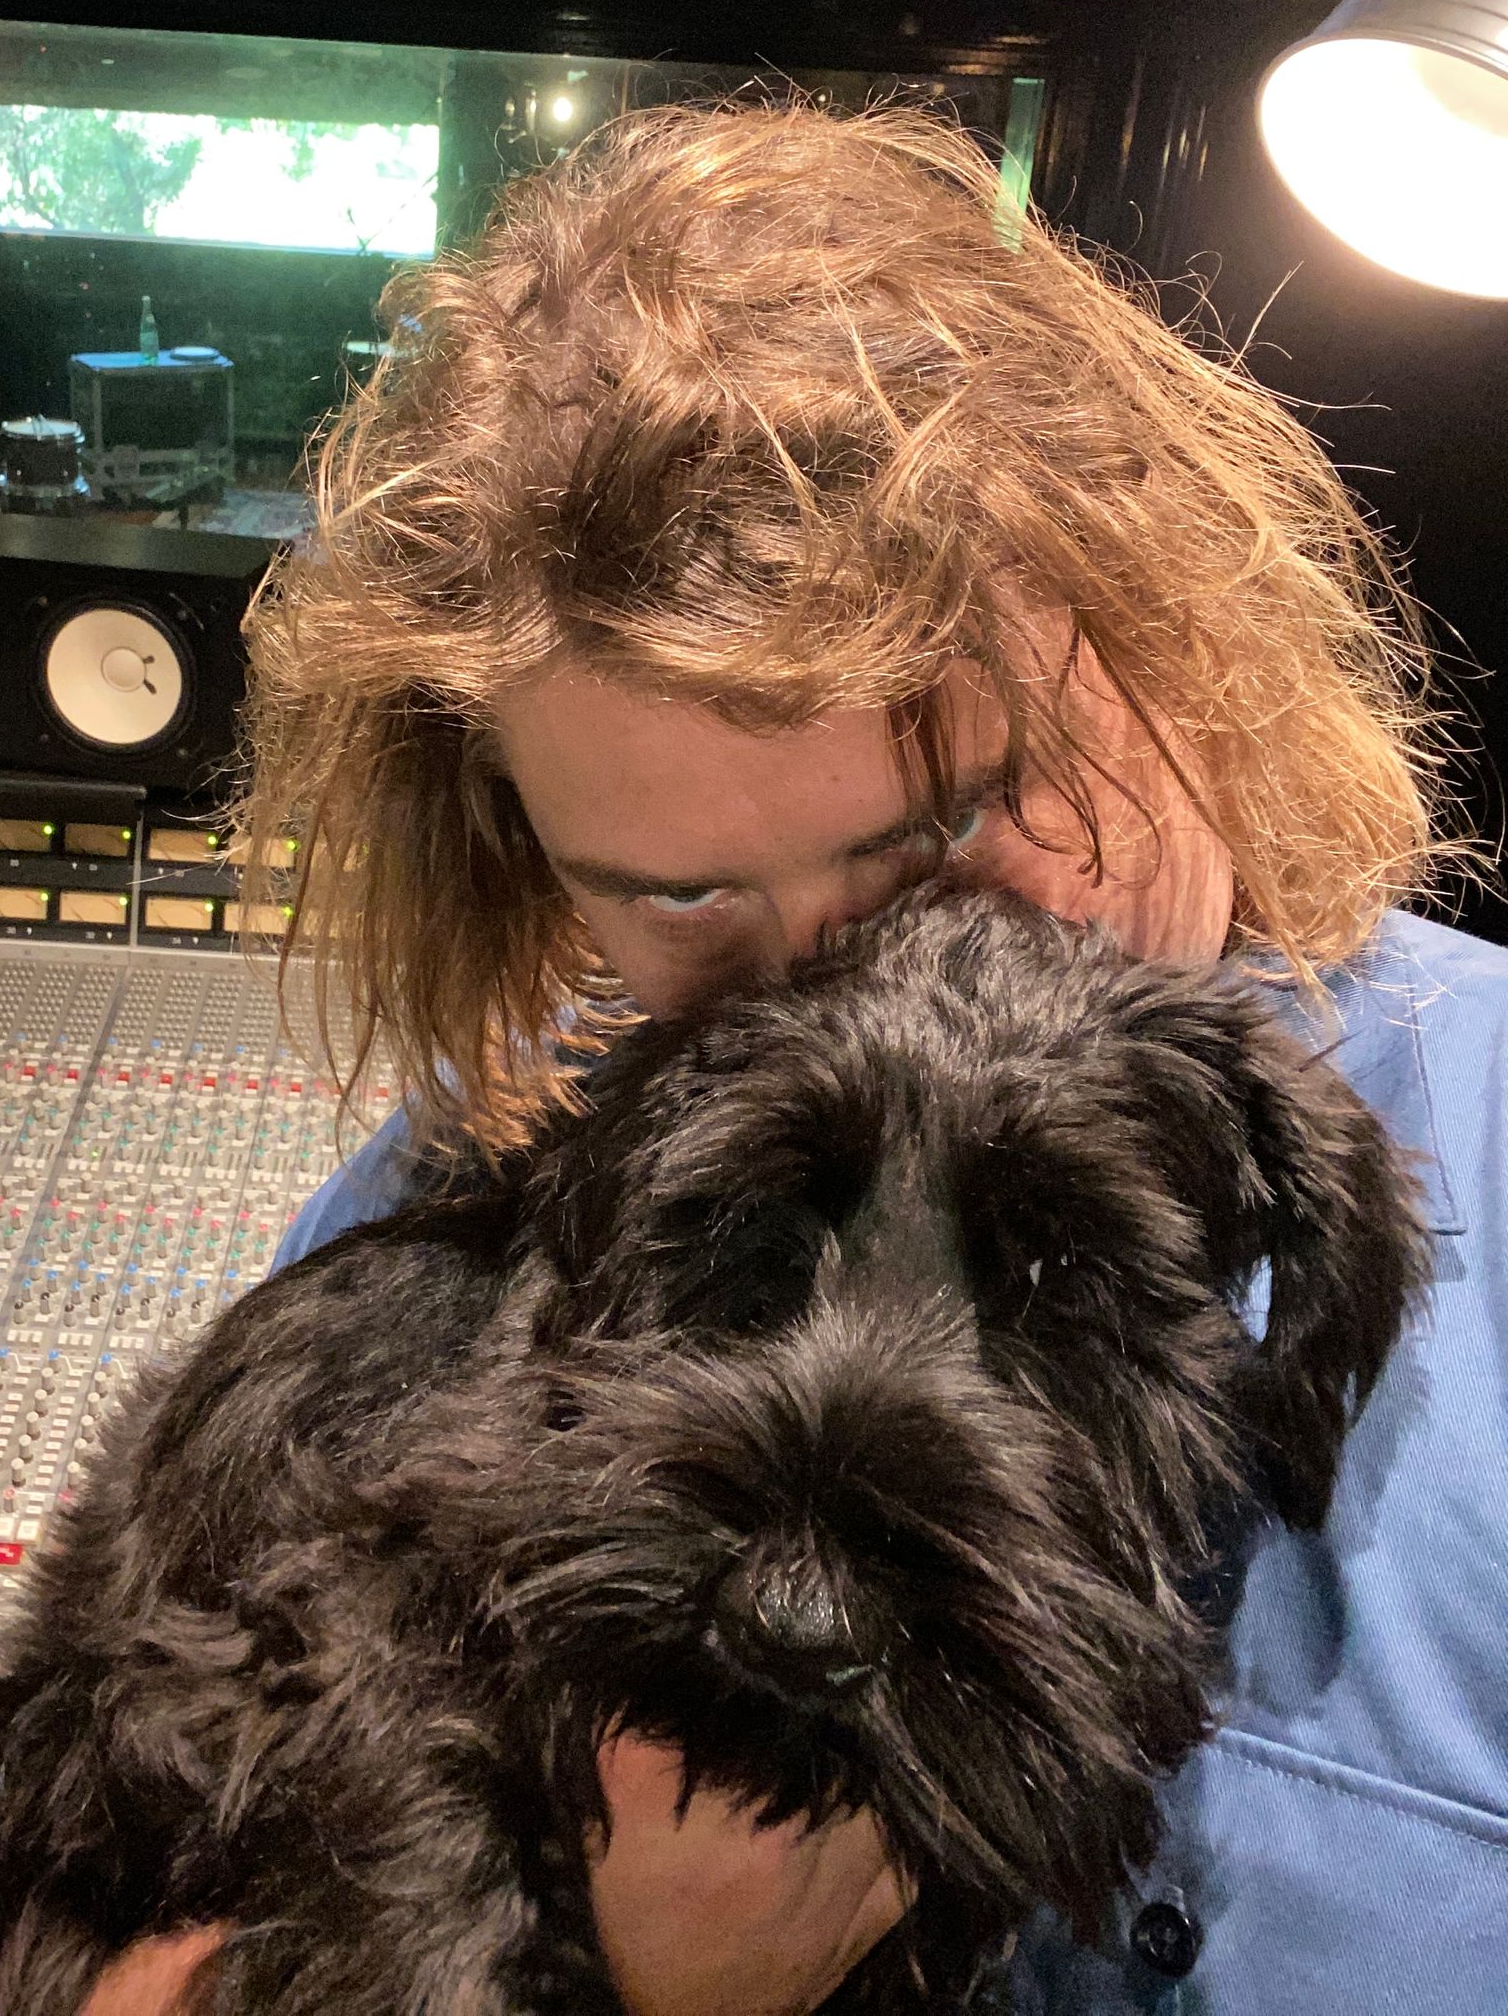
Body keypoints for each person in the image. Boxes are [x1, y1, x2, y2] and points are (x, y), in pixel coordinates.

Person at [86, 104, 1505, 2014]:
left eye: (945, 835)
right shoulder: (431, 1223)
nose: (840, 979)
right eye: (684, 898)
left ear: (1163, 632)